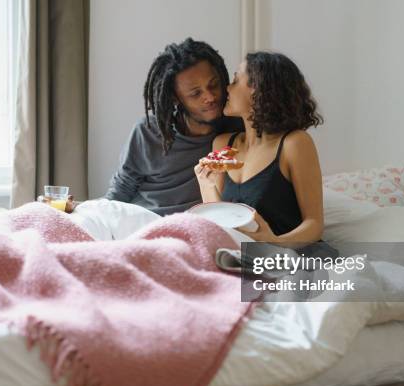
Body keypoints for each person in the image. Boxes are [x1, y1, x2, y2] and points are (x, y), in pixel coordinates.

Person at [194, 51, 327, 248]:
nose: (227, 88)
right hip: (244, 258)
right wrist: (205, 183)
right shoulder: (222, 144)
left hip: (294, 257)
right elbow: (220, 223)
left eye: (236, 80)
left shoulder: (294, 144)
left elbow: (314, 225)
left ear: (259, 90)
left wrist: (274, 242)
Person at [105, 38, 243, 215]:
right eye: (195, 93)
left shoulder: (238, 131)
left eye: (214, 84)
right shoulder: (149, 132)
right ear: (176, 98)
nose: (210, 97)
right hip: (144, 222)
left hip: (199, 228)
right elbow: (120, 190)